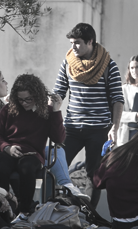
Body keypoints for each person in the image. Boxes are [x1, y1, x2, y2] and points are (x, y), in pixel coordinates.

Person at [0, 74, 87, 218]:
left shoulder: (46, 112)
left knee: (27, 167)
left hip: (32, 154)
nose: (24, 103)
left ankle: (24, 211)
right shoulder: (8, 109)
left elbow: (58, 139)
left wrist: (56, 111)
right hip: (8, 150)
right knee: (0, 164)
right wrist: (6, 147)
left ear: (37, 95)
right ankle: (3, 208)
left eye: (28, 99)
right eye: (20, 99)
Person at [53, 22, 124, 206]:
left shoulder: (109, 66)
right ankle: (56, 207)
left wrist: (115, 128)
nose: (73, 47)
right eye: (71, 43)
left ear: (90, 42)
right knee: (56, 165)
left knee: (94, 174)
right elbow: (58, 93)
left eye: (77, 43)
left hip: (99, 129)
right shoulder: (68, 63)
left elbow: (118, 99)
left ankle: (89, 216)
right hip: (72, 127)